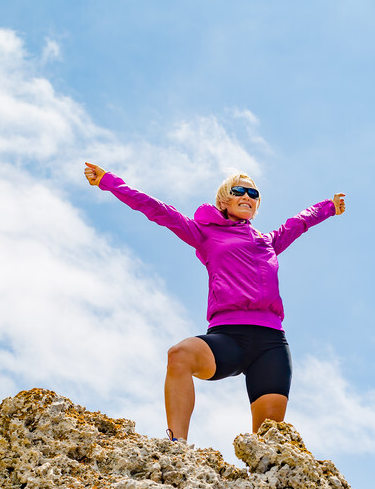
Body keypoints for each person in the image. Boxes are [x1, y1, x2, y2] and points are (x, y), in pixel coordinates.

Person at [84, 161, 346, 442]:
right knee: (180, 355)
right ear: (224, 199)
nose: (247, 197)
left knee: (270, 442)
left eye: (253, 194)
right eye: (239, 190)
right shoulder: (204, 234)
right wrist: (108, 181)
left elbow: (300, 222)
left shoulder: (268, 241)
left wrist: (329, 207)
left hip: (271, 344)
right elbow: (157, 210)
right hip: (228, 337)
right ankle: (177, 448)